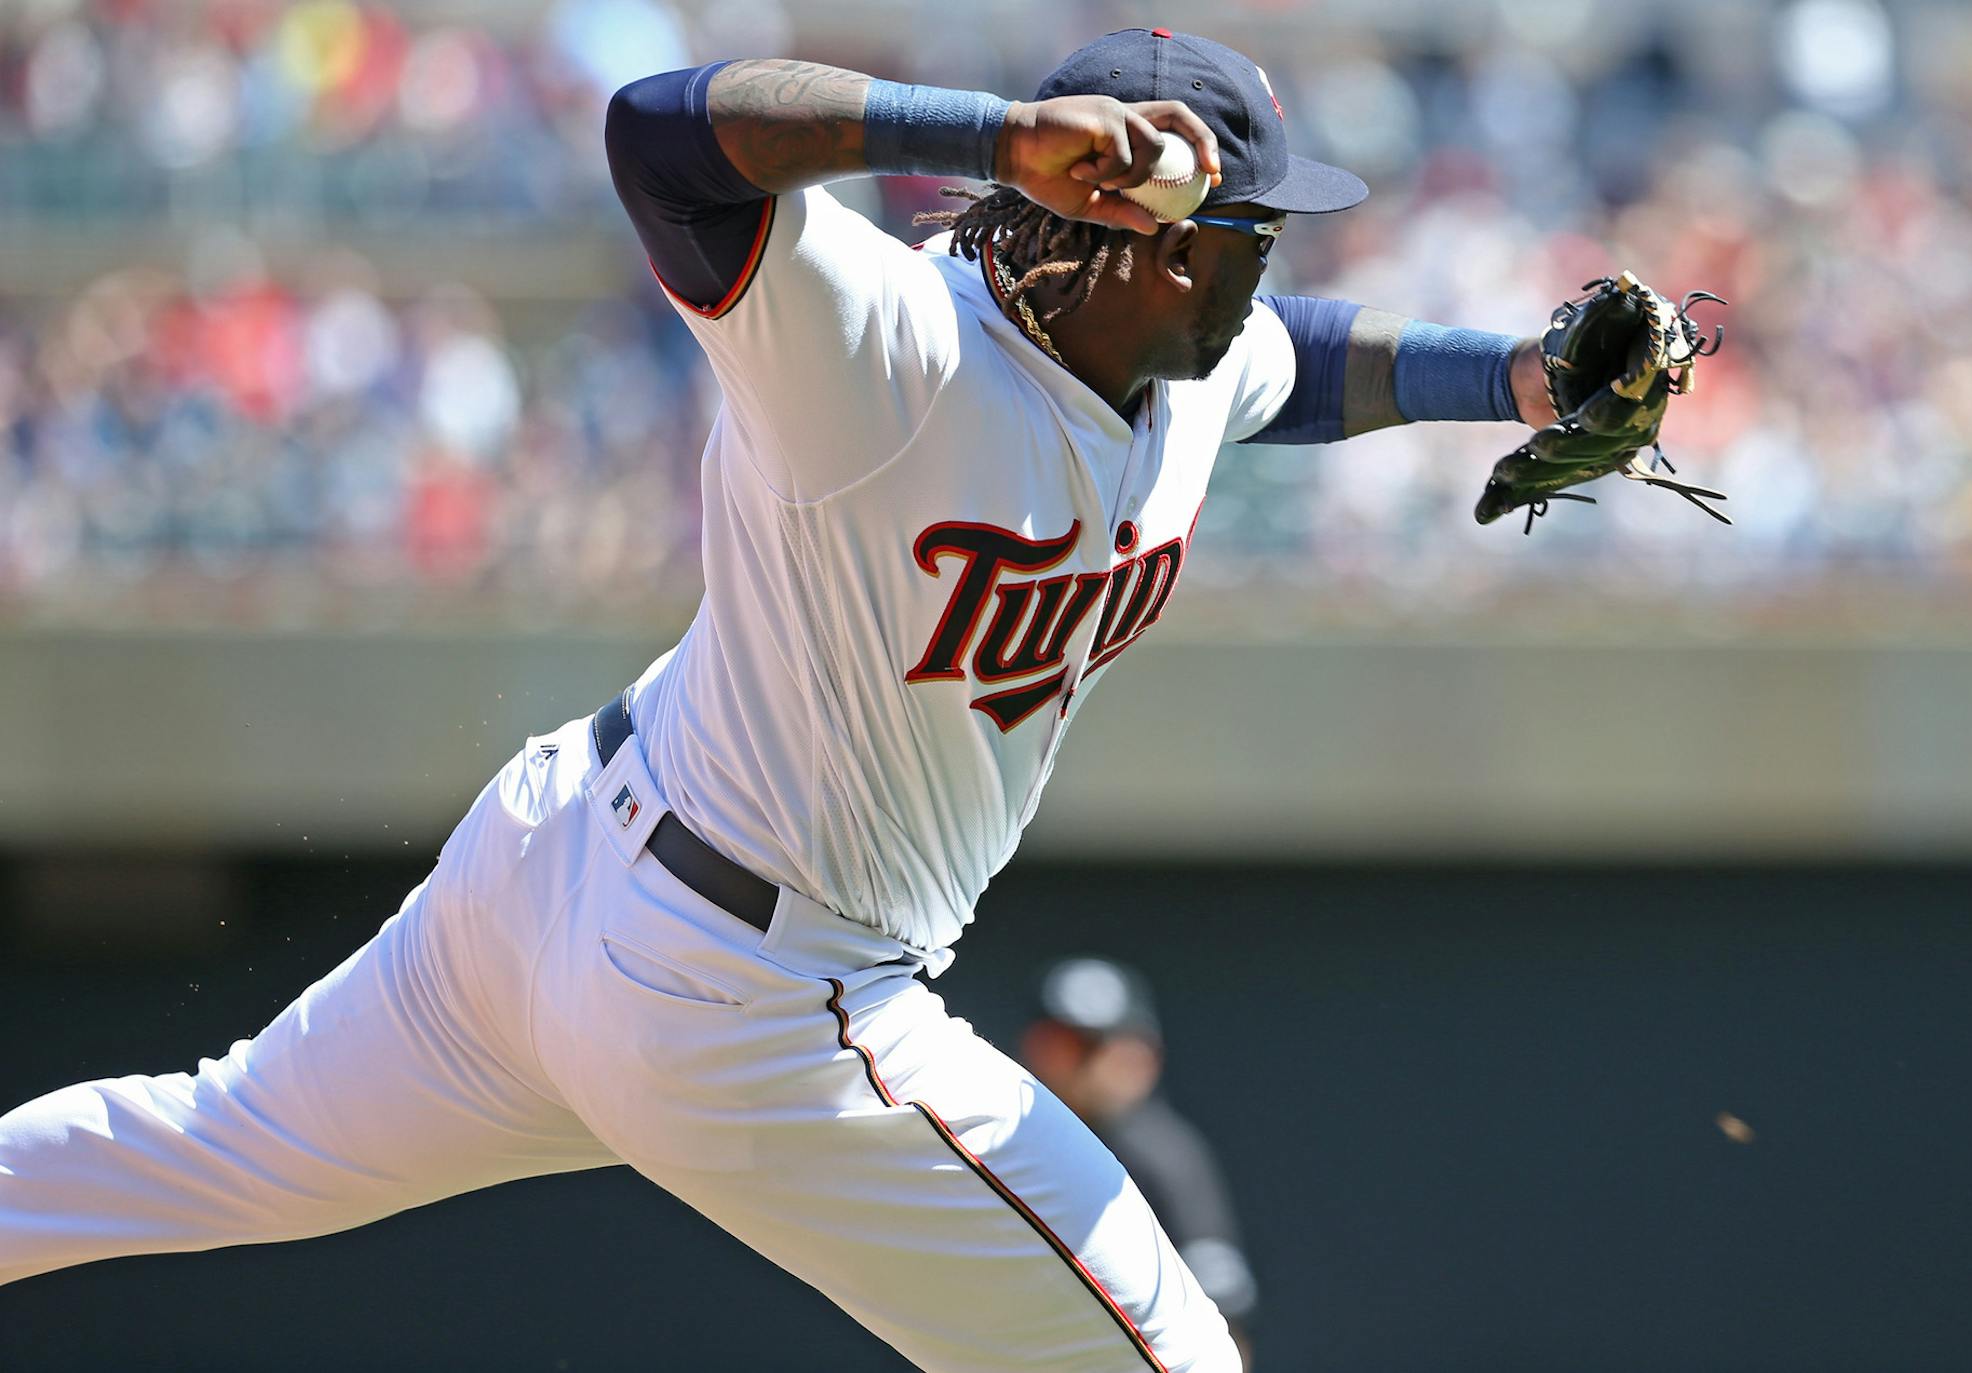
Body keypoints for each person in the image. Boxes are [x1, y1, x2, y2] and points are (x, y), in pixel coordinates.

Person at [0, 29, 1555, 1372]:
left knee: (208, 1151)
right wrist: (987, 132)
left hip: (582, 861)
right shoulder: (888, 339)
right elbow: (658, 139)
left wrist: (1531, 380)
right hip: (755, 988)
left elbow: (1320, 364)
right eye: (1252, 229)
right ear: (1151, 233)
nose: (1271, 258)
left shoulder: (1188, 359)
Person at [1024, 958, 1259, 1366]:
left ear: (1146, 1054)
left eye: (1097, 1045)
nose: (1084, 1063)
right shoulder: (1007, 1138)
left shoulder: (1162, 1156)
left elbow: (1223, 1318)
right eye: (1072, 1042)